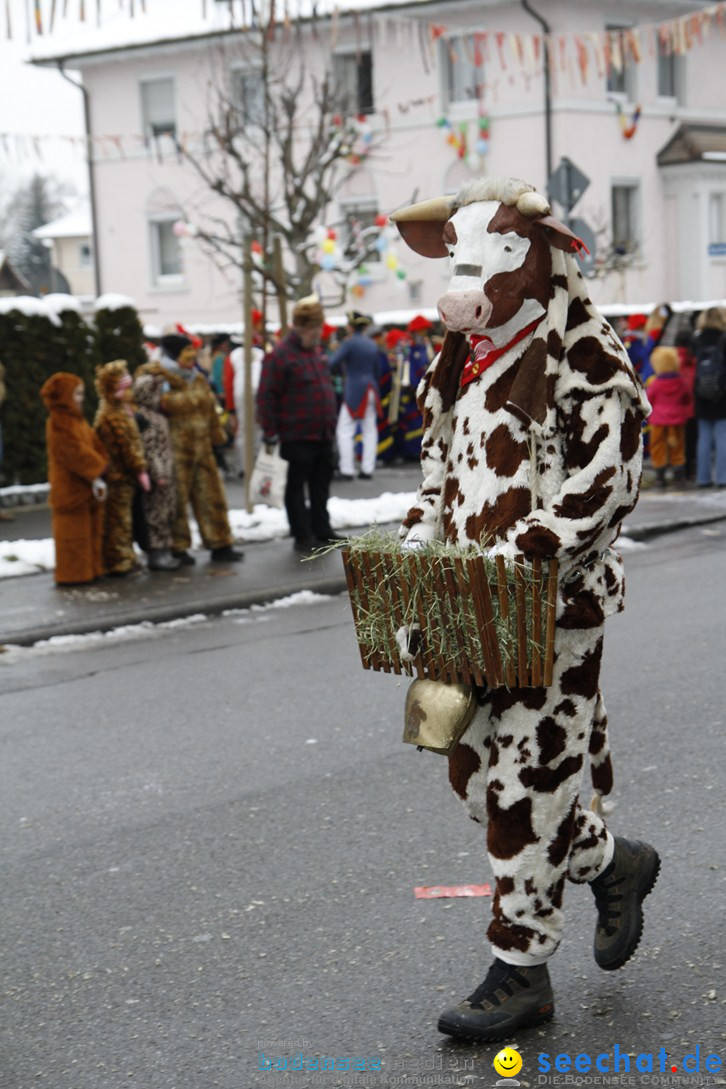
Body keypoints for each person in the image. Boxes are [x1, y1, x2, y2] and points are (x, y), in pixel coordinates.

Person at [391, 176, 659, 1041]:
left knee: (527, 786)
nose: (470, 279)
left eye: (491, 259)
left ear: (536, 260)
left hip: (556, 606)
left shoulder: (583, 349)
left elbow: (610, 480)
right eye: (463, 260)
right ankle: (614, 862)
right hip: (470, 604)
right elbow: (439, 465)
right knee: (472, 775)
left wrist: (536, 548)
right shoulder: (460, 357)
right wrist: (416, 545)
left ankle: (521, 966)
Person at [138, 333, 244, 565]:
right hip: (176, 448)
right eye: (187, 352)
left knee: (211, 496)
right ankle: (178, 548)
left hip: (202, 446)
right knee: (177, 501)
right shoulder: (159, 379)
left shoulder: (197, 378)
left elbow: (208, 405)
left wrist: (217, 433)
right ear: (175, 355)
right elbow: (150, 409)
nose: (192, 356)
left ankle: (221, 543)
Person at [256, 295, 338, 552]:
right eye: (316, 329)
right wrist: (270, 431)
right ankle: (302, 534)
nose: (319, 334)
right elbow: (266, 395)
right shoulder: (280, 355)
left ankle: (322, 529)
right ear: (303, 327)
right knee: (295, 487)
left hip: (322, 432)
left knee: (320, 485)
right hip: (296, 434)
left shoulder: (315, 352)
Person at [40, 372, 108, 586]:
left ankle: (91, 569)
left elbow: (92, 443)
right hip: (70, 488)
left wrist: (102, 463)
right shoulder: (58, 421)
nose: (80, 398)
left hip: (84, 485)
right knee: (73, 535)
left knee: (89, 532)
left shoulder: (76, 419)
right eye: (77, 393)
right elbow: (72, 451)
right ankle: (73, 574)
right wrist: (98, 469)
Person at [94, 360, 150, 577]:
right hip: (118, 477)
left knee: (125, 520)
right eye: (126, 388)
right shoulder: (112, 416)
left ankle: (126, 557)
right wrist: (140, 469)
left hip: (125, 476)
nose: (130, 392)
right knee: (119, 522)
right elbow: (125, 447)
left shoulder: (123, 411)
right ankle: (119, 561)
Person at [133, 371, 181, 571]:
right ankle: (156, 553)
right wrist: (159, 473)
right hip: (157, 476)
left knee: (166, 513)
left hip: (167, 473)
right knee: (156, 516)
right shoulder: (145, 418)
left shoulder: (157, 416)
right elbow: (150, 448)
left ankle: (165, 549)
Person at [329, 311, 381, 481]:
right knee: (369, 429)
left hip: (355, 389)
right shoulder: (372, 344)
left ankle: (347, 469)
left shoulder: (349, 343)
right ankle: (368, 469)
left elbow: (333, 363)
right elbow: (377, 370)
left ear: (351, 325)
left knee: (345, 429)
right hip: (371, 388)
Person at [647, 347, 693, 488]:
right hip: (678, 420)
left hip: (658, 421)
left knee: (658, 447)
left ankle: (660, 479)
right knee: (678, 447)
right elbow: (687, 398)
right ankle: (679, 478)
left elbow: (649, 399)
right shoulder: (681, 382)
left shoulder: (655, 383)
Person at [692, 306, 726, 487]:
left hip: (701, 392)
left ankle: (702, 478)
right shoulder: (724, 338)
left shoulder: (697, 339)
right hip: (722, 393)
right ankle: (722, 478)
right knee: (722, 435)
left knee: (703, 436)